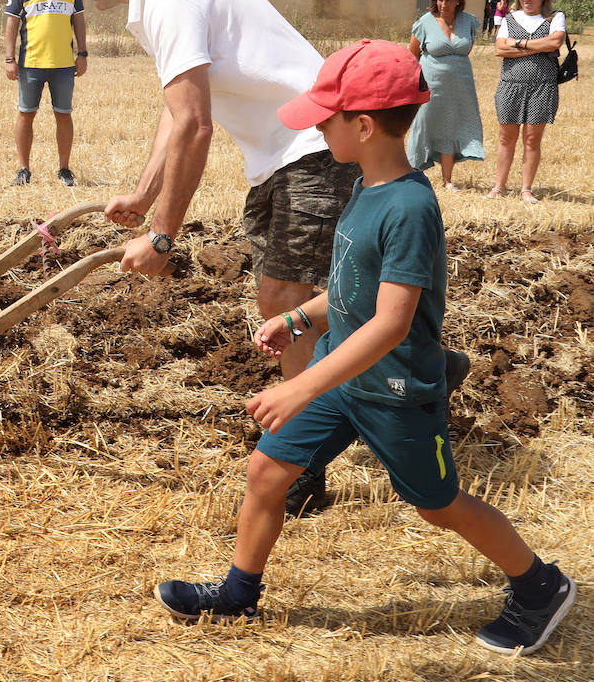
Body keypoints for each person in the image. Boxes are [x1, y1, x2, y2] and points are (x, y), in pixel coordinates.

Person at [155, 40, 576, 656]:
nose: (318, 127)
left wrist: (301, 383)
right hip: (342, 374)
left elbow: (392, 324)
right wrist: (299, 317)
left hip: (394, 388)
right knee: (267, 471)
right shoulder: (364, 188)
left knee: (436, 504)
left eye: (326, 117)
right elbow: (350, 287)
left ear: (363, 124)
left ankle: (541, 586)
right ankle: (238, 594)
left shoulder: (408, 206)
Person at [50, 0, 357, 513]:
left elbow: (195, 123)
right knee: (293, 299)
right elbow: (178, 110)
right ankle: (410, 369)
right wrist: (143, 197)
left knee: (284, 299)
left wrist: (163, 236)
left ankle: (302, 460)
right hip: (282, 153)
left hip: (317, 143)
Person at [2, 0, 88, 186]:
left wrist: (82, 53)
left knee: (63, 114)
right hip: (31, 64)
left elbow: (79, 20)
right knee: (26, 114)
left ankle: (64, 169)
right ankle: (23, 170)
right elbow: (11, 23)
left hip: (63, 65)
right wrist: (9, 58)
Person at [490, 0, 565, 204]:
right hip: (511, 85)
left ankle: (526, 189)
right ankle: (499, 187)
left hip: (543, 87)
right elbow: (499, 49)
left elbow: (555, 43)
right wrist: (537, 46)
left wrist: (519, 43)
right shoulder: (511, 18)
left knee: (532, 140)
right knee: (506, 139)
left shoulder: (555, 17)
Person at [406, 0, 485, 189]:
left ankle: (447, 181)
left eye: (449, 0)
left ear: (458, 1)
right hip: (431, 85)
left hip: (461, 86)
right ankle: (413, 176)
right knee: (423, 125)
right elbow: (413, 53)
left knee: (451, 127)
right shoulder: (425, 22)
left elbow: (466, 49)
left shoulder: (469, 21)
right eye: (440, 0)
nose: (443, 4)